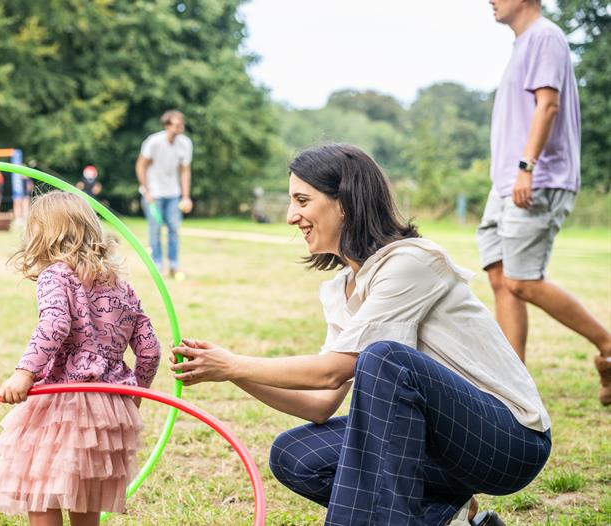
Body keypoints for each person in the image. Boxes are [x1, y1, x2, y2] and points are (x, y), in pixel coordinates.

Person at [170, 144, 551, 526]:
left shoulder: (410, 262)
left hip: (508, 441)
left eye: (302, 200)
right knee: (297, 454)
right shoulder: (342, 289)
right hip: (442, 448)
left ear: (345, 203)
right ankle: (449, 518)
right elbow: (320, 402)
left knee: (385, 358)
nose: (291, 216)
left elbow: (332, 371)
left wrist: (236, 362)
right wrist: (233, 372)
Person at [0, 190, 162, 526]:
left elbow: (55, 323)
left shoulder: (57, 275)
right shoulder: (122, 287)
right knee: (86, 492)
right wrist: (136, 393)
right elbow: (150, 348)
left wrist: (24, 373)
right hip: (109, 408)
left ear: (42, 237)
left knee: (41, 483)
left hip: (63, 400)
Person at [479, 0, 610, 404]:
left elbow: (548, 105)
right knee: (501, 277)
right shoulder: (523, 43)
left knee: (522, 280)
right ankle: (511, 386)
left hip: (535, 178)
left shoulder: (546, 37)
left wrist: (526, 166)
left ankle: (608, 345)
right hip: (505, 183)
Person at [135, 110, 193, 279]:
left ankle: (174, 266)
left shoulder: (185, 144)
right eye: (176, 125)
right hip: (154, 193)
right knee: (155, 229)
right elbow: (141, 166)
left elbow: (185, 171)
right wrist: (146, 190)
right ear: (167, 125)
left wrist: (186, 196)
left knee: (174, 229)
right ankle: (158, 266)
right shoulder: (154, 142)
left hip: (173, 193)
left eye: (181, 125)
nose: (179, 128)